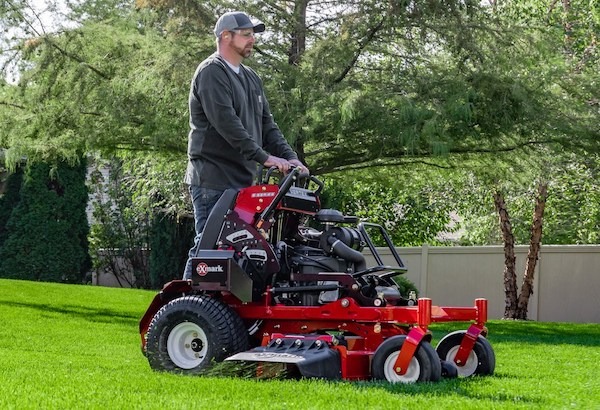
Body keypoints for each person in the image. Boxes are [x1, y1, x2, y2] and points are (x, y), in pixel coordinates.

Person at [182, 11, 306, 279]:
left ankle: (221, 317)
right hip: (213, 179)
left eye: (253, 35)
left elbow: (267, 126)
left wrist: (290, 158)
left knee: (238, 252)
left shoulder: (251, 78)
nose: (252, 40)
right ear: (225, 36)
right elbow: (227, 125)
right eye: (246, 34)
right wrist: (265, 158)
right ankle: (184, 311)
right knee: (208, 248)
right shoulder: (212, 72)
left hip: (244, 182)